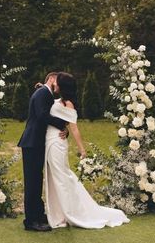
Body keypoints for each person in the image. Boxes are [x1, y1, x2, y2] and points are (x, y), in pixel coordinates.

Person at [45, 72, 130, 229]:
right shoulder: (56, 99)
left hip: (57, 143)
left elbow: (74, 128)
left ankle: (71, 212)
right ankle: (58, 213)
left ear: (63, 86)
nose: (54, 83)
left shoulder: (68, 104)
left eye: (57, 82)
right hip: (51, 141)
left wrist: (82, 150)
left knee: (62, 178)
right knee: (56, 178)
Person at [17, 72, 67, 232]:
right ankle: (31, 221)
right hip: (32, 143)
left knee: (36, 181)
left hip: (37, 143)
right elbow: (42, 115)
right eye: (58, 82)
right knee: (32, 183)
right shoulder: (42, 93)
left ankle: (38, 214)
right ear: (51, 79)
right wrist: (62, 124)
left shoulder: (45, 93)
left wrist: (64, 129)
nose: (59, 87)